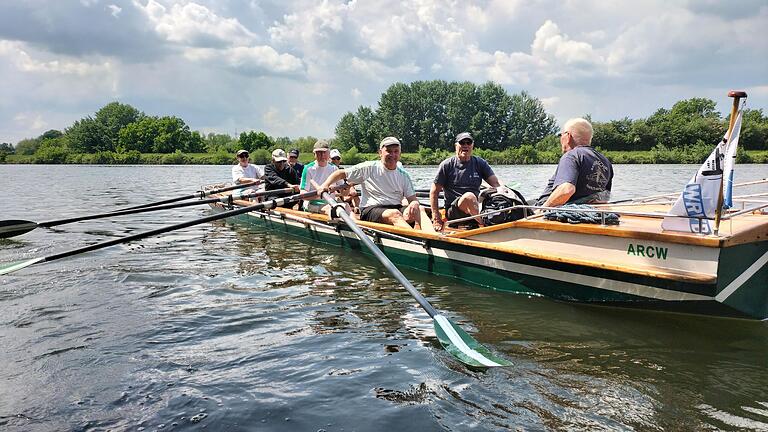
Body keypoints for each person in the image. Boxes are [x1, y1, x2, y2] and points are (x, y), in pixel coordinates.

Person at [319, 137, 422, 229]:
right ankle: (419, 243)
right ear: (380, 152)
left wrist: (414, 203)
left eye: (396, 151)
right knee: (394, 214)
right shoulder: (369, 168)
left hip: (396, 207)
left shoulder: (404, 175)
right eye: (389, 151)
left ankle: (434, 238)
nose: (392, 155)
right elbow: (340, 173)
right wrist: (325, 185)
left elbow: (413, 199)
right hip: (370, 209)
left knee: (420, 209)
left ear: (400, 153)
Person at [430, 132, 502, 231]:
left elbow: (496, 184)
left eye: (469, 143)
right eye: (462, 143)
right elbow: (434, 192)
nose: (466, 146)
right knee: (469, 196)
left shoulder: (480, 163)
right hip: (453, 210)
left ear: (472, 146)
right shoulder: (446, 165)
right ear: (456, 146)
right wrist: (436, 218)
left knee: (501, 192)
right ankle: (485, 224)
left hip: (474, 207)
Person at [536, 118, 613, 207]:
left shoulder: (571, 156)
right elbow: (604, 197)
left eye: (560, 135)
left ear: (568, 136)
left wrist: (541, 210)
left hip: (554, 214)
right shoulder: (605, 161)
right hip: (589, 213)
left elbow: (566, 190)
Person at [300, 140, 346, 214]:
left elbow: (344, 192)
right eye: (318, 153)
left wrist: (349, 187)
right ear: (314, 154)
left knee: (347, 206)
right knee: (332, 210)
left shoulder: (334, 168)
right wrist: (318, 195)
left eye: (324, 152)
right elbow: (302, 195)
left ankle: (357, 225)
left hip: (331, 203)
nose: (322, 155)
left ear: (329, 153)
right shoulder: (308, 169)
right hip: (313, 203)